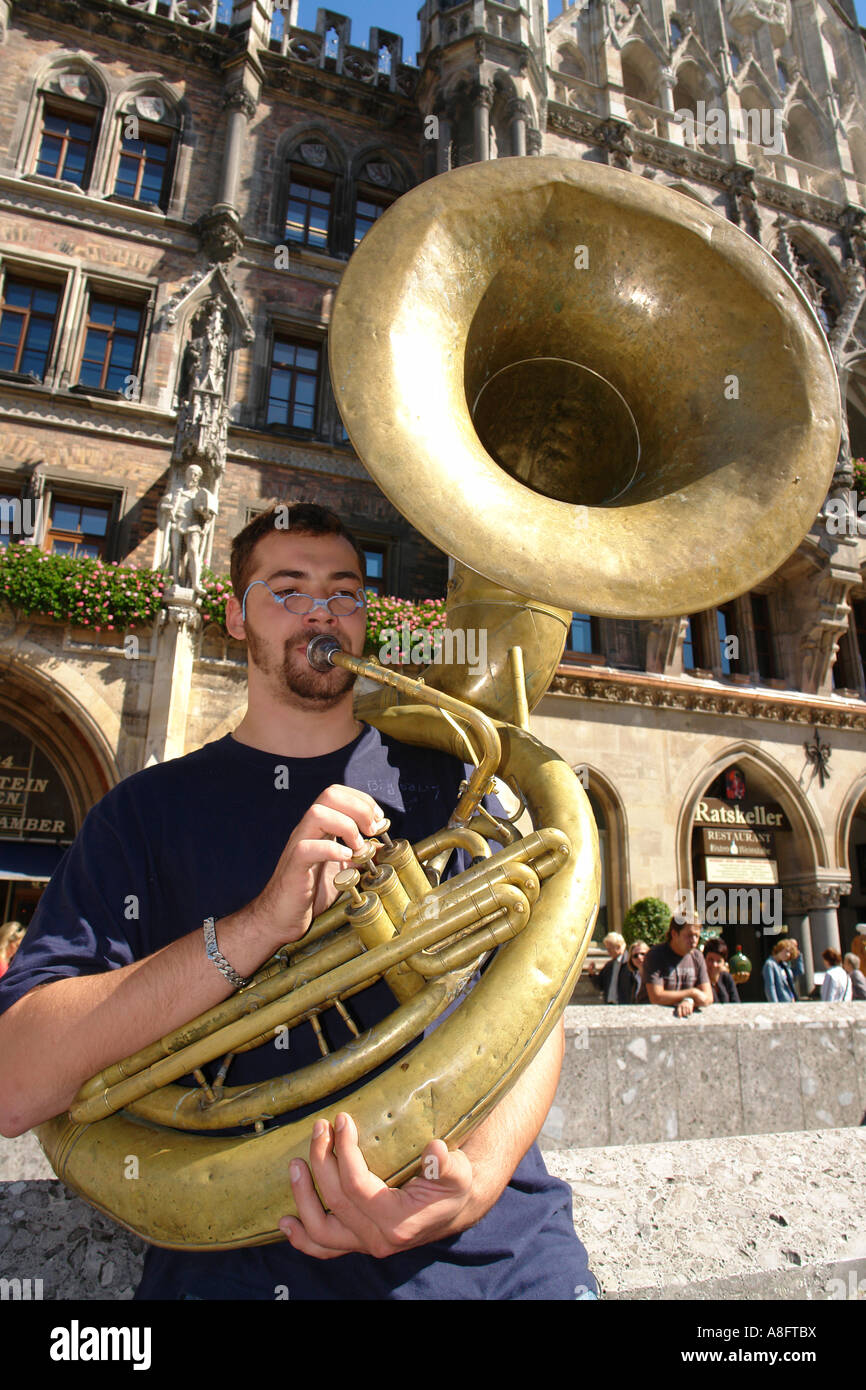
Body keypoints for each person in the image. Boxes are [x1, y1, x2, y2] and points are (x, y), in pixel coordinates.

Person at [0, 503, 597, 1302]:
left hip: (499, 1263)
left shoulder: (453, 780)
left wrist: (483, 1174)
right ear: (233, 616)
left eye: (346, 592)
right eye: (287, 589)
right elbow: (16, 1084)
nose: (323, 610)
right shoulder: (141, 816)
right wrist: (257, 929)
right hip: (244, 1270)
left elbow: (535, 994)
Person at [636, 917, 713, 1018]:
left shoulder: (697, 957)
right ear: (674, 934)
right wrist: (692, 993)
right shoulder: (656, 955)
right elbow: (656, 997)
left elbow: (707, 997)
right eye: (689, 936)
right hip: (651, 1017)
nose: (694, 941)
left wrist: (689, 1000)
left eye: (697, 936)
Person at [586, 931, 627, 1004]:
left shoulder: (630, 964)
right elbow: (600, 985)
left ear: (618, 947)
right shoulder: (609, 966)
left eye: (609, 949)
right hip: (610, 1005)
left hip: (626, 1005)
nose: (608, 952)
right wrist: (592, 974)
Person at [761, 938, 803, 1003]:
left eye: (790, 953)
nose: (788, 955)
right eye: (786, 951)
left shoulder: (784, 966)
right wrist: (775, 1004)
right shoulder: (770, 964)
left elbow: (799, 971)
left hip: (790, 1000)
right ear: (780, 949)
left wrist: (799, 956)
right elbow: (770, 987)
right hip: (781, 1001)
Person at [703, 937, 741, 1004]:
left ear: (724, 963)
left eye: (718, 961)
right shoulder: (700, 979)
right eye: (710, 960)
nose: (714, 965)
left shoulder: (726, 978)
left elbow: (736, 1004)